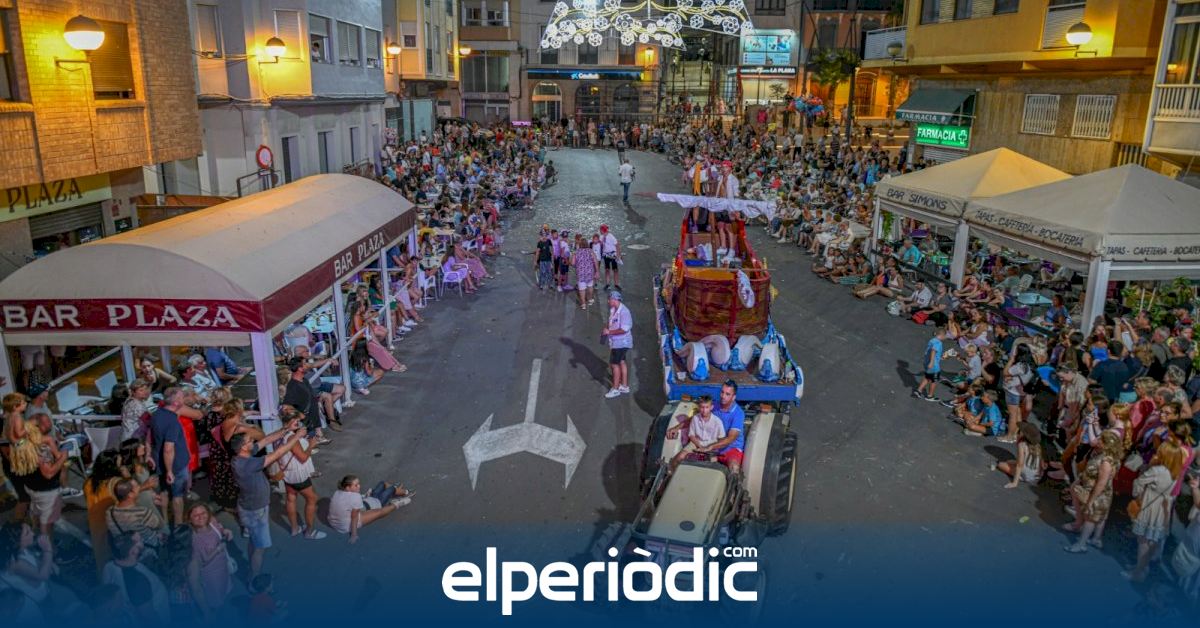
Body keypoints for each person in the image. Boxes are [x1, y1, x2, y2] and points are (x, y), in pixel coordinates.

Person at [229, 418, 306, 578]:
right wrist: (296, 437)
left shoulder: (240, 458)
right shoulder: (248, 464)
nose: (253, 441)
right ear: (244, 447)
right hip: (256, 509)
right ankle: (255, 579)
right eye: (250, 440)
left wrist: (286, 429)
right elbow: (277, 453)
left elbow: (266, 440)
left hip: (248, 505)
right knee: (260, 547)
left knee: (254, 541)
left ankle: (253, 571)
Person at [1124, 440, 1187, 581]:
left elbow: (1138, 482)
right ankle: (1142, 567)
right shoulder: (1175, 472)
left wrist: (1138, 493)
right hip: (1161, 509)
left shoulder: (1157, 471)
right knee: (1151, 541)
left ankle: (1137, 573)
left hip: (1149, 506)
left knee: (1143, 542)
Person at [1062, 431, 1121, 552]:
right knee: (1098, 517)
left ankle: (1081, 544)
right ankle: (1095, 539)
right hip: (1093, 490)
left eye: (1100, 440)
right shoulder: (1100, 455)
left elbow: (1101, 484)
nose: (1097, 440)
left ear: (1106, 445)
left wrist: (1091, 501)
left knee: (1090, 518)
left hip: (1099, 495)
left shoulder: (1106, 462)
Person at [101, 533, 170, 624]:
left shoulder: (109, 566)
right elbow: (148, 616)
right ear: (133, 551)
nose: (142, 541)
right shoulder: (137, 581)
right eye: (139, 541)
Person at [148, 387, 191, 527]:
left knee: (164, 491)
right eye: (182, 397)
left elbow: (149, 436)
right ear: (176, 403)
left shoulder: (156, 414)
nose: (184, 399)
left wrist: (148, 454)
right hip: (175, 465)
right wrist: (170, 471)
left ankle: (164, 521)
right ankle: (178, 525)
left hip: (159, 463)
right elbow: (168, 449)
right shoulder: (173, 422)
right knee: (177, 495)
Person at [327, 475, 412, 544]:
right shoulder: (355, 497)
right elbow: (354, 517)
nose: (359, 486)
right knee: (390, 491)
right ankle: (404, 493)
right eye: (356, 485)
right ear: (348, 488)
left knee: (382, 483)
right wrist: (354, 535)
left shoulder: (337, 492)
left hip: (368, 501)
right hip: (376, 503)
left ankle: (395, 490)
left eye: (358, 484)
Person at [186, 503, 233, 618]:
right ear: (190, 520)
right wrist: (218, 550)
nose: (201, 517)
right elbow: (202, 562)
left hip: (222, 567)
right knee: (215, 597)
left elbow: (220, 529)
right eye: (196, 515)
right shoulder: (193, 538)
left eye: (203, 513)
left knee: (223, 589)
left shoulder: (212, 522)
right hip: (211, 575)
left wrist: (225, 531)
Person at [670, 395, 726, 468]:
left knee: (712, 464)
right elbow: (691, 435)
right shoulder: (695, 418)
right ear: (699, 407)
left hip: (711, 446)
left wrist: (710, 448)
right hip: (696, 443)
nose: (704, 410)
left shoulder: (717, 422)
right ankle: (670, 471)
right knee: (680, 456)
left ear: (711, 407)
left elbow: (722, 439)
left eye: (707, 407)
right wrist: (700, 446)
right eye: (702, 407)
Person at [601, 290, 633, 399]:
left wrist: (609, 332)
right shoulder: (613, 309)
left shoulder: (624, 312)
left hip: (621, 343)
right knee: (621, 362)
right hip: (617, 342)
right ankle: (624, 386)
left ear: (614, 300)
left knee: (614, 365)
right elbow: (611, 322)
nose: (608, 301)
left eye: (609, 299)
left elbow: (624, 329)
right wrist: (607, 328)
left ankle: (615, 389)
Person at [993, 423, 1044, 488]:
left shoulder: (1022, 445)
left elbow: (1019, 465)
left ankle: (1020, 477)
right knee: (1010, 461)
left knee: (1000, 464)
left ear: (1024, 435)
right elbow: (1040, 462)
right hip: (1035, 476)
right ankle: (1022, 475)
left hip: (1025, 475)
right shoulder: (1038, 446)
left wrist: (1014, 483)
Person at [914, 327, 946, 402]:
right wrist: (932, 362)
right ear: (942, 335)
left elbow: (932, 351)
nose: (945, 337)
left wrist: (940, 357)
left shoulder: (932, 340)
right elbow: (933, 351)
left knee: (927, 377)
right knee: (934, 380)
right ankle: (930, 396)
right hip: (933, 365)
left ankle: (919, 391)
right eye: (945, 336)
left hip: (927, 362)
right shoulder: (939, 343)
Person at [573, 233, 597, 310]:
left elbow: (572, 263)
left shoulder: (576, 252)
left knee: (582, 288)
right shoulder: (591, 251)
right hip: (590, 272)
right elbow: (595, 261)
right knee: (590, 286)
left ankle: (583, 304)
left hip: (580, 273)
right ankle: (590, 299)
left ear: (580, 244)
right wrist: (597, 271)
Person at [599, 224, 621, 291]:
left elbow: (617, 245)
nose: (600, 231)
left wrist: (618, 255)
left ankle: (616, 284)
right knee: (607, 269)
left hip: (612, 254)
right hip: (606, 255)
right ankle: (607, 283)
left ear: (603, 230)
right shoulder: (601, 237)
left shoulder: (611, 236)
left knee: (615, 269)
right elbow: (600, 245)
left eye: (600, 230)